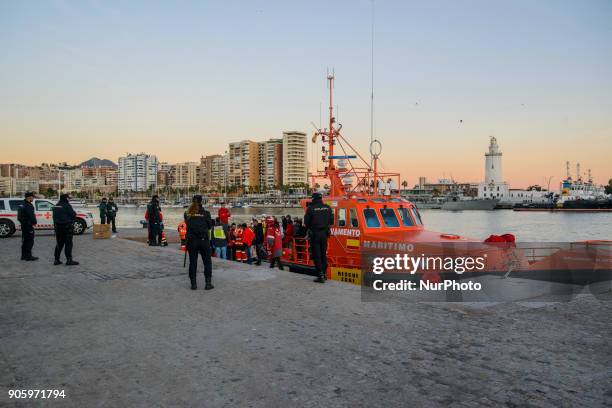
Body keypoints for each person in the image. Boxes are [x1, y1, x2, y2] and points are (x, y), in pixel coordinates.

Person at [185, 195, 213, 290]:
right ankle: (208, 283)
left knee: (193, 263)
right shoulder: (206, 213)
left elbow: (188, 225)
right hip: (204, 241)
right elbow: (209, 226)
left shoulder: (187, 213)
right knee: (207, 262)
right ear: (202, 202)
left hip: (192, 241)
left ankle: (193, 284)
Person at [304, 192, 333, 283]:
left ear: (313, 199)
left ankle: (320, 275)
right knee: (323, 254)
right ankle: (324, 274)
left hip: (315, 234)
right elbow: (331, 221)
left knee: (317, 255)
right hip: (324, 234)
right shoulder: (328, 208)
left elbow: (306, 222)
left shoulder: (311, 208)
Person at [53, 193, 79, 266]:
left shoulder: (56, 206)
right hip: (67, 228)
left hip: (58, 228)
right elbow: (73, 214)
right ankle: (69, 260)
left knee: (59, 244)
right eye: (68, 198)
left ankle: (56, 259)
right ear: (66, 198)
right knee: (68, 244)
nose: (69, 199)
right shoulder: (67, 205)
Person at [17, 191, 38, 261]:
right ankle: (29, 256)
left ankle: (23, 256)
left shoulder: (21, 204)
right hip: (28, 226)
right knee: (30, 241)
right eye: (32, 197)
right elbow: (31, 216)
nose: (33, 199)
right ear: (29, 197)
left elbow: (19, 217)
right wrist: (34, 222)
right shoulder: (29, 205)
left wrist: (23, 223)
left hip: (23, 225)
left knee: (25, 241)